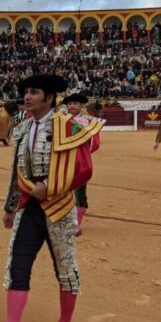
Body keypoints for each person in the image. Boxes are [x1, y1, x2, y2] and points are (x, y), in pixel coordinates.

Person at [0, 75, 103, 322]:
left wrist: (49, 187)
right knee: (17, 267)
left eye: (34, 92)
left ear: (49, 98)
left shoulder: (69, 125)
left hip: (59, 206)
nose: (27, 96)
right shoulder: (22, 128)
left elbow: (83, 169)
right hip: (28, 207)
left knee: (65, 268)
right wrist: (10, 206)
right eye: (25, 92)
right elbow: (16, 171)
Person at [63, 93, 102, 236]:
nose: (72, 106)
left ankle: (77, 224)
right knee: (62, 192)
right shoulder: (61, 120)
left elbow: (95, 143)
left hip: (80, 163)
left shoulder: (88, 122)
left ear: (81, 106)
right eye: (70, 103)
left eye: (75, 103)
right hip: (64, 162)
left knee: (80, 194)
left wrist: (81, 151)